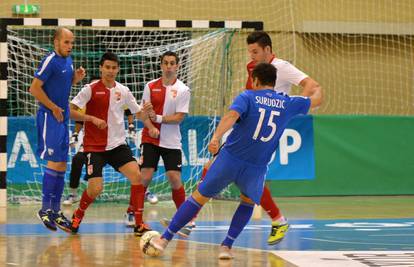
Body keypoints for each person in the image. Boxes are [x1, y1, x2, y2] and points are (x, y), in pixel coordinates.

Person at [151, 62, 322, 259]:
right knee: (247, 203)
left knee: (199, 198)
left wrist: (215, 137)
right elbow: (316, 98)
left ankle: (163, 240)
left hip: (230, 159)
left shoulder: (247, 96)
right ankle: (226, 247)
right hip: (256, 167)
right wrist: (315, 88)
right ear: (274, 83)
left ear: (255, 81)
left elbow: (232, 115)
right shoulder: (288, 102)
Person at [191, 30, 323, 245]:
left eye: (255, 51)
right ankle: (277, 220)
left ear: (267, 50)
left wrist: (292, 107)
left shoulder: (282, 67)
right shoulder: (253, 69)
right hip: (247, 128)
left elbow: (312, 85)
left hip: (262, 133)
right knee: (219, 171)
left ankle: (191, 220)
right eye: (249, 51)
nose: (251, 55)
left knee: (242, 179)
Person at [69, 52, 156, 236]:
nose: (110, 71)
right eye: (107, 67)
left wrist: (148, 114)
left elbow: (138, 113)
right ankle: (78, 215)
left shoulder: (123, 91)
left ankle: (139, 224)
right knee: (96, 188)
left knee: (137, 177)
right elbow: (71, 112)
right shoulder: (89, 89)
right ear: (101, 68)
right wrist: (91, 118)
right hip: (94, 148)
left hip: (117, 145)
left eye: (114, 67)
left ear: (118, 69)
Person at [29, 27, 105, 232]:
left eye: (72, 42)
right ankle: (45, 209)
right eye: (66, 42)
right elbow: (34, 88)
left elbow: (61, 85)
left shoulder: (68, 61)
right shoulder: (50, 60)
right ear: (56, 42)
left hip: (62, 119)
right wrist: (53, 107)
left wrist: (75, 79)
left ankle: (55, 211)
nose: (70, 46)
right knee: (54, 162)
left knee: (62, 165)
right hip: (49, 117)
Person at [124, 51, 192, 236]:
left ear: (177, 66)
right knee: (144, 176)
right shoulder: (150, 86)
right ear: (161, 65)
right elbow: (143, 113)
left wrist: (158, 119)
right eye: (166, 63)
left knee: (174, 178)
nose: (169, 66)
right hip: (150, 138)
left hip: (171, 141)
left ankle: (184, 217)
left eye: (172, 63)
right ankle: (132, 212)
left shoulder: (183, 90)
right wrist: (150, 125)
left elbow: (179, 117)